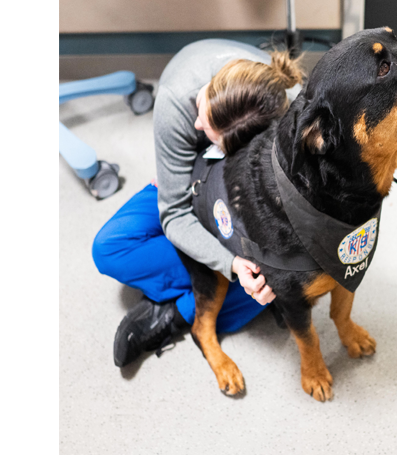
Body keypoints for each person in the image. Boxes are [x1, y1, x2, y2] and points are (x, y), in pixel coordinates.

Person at [92, 39, 305, 367]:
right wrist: (230, 263)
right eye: (202, 112)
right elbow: (174, 213)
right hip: (189, 179)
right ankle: (208, 301)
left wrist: (271, 268)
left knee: (279, 274)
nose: (196, 126)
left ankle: (175, 314)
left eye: (208, 131)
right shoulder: (177, 101)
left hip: (244, 192)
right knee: (109, 249)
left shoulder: (292, 118)